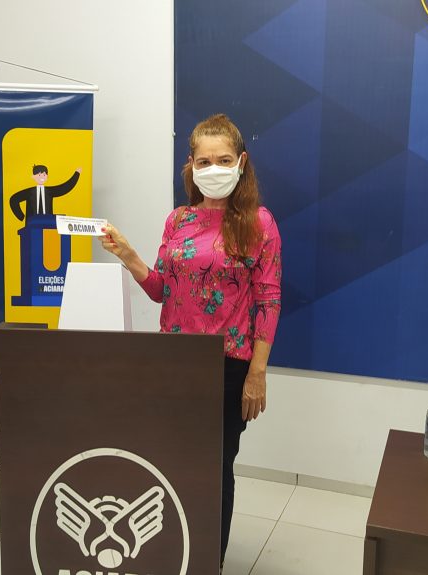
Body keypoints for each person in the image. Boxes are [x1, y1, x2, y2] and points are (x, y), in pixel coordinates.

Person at [99, 114, 282, 568]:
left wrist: (257, 373)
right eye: (204, 161)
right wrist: (128, 255)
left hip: (227, 366)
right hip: (173, 361)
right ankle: (174, 552)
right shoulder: (177, 220)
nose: (214, 168)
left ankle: (208, 561)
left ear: (241, 162)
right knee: (171, 460)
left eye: (224, 159)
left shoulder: (259, 223)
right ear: (191, 165)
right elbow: (161, 289)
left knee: (215, 467)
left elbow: (269, 299)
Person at [9, 165, 82, 221]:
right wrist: (21, 216)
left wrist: (77, 174)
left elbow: (65, 188)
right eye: (39, 175)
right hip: (32, 223)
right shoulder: (29, 192)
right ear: (33, 177)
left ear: (47, 176)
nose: (42, 177)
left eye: (44, 175)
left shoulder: (49, 191)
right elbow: (14, 199)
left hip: (48, 223)